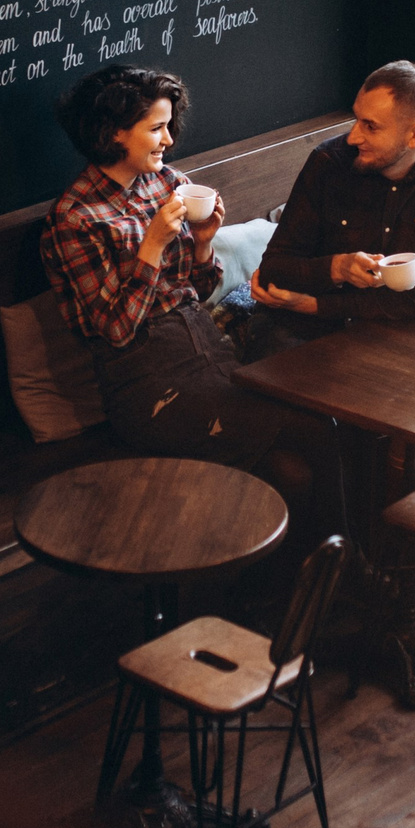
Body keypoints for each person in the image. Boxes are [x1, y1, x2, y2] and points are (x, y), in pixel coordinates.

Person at [40, 65, 344, 530]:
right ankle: (352, 580)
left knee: (292, 471)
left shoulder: (166, 183)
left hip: (212, 357)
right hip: (145, 385)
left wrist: (203, 242)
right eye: (156, 128)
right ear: (114, 132)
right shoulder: (75, 219)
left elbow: (197, 291)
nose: (168, 141)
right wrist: (151, 247)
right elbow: (114, 330)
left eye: (168, 126)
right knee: (317, 429)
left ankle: (308, 590)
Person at [245, 60, 415, 359]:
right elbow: (274, 270)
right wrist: (337, 268)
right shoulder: (329, 161)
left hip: (384, 328)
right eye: (356, 119)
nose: (353, 137)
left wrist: (312, 304)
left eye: (371, 126)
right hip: (303, 328)